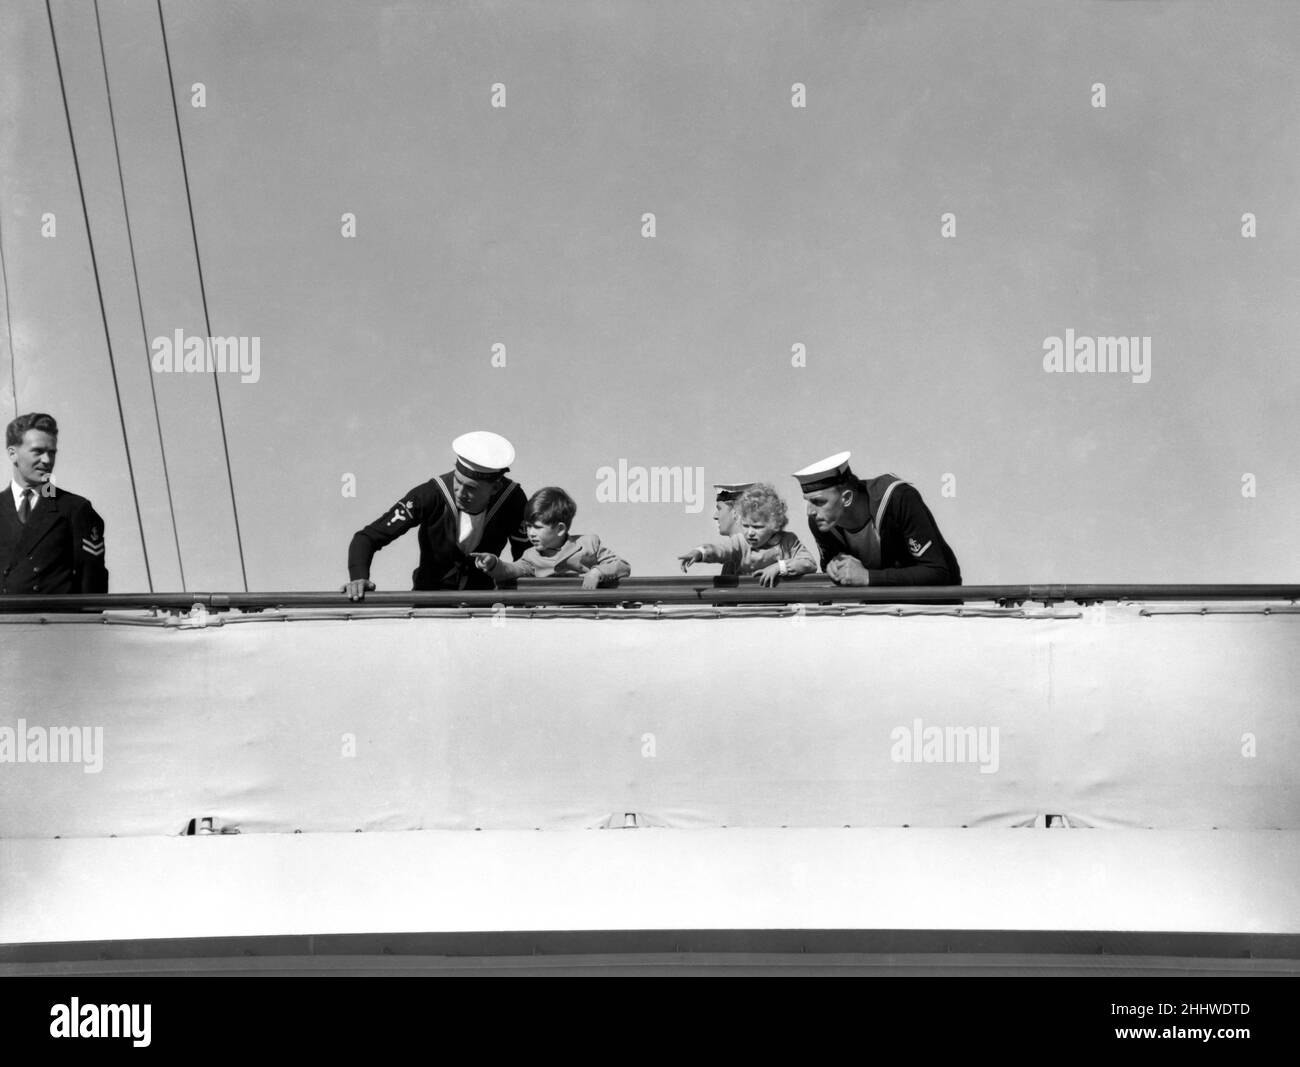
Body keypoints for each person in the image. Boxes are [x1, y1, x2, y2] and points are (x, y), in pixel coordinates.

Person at [343, 431, 527, 598]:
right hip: (428, 601)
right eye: (458, 481)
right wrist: (359, 577)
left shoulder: (513, 500)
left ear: (495, 487)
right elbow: (366, 538)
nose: (460, 492)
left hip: (481, 603)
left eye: (471, 488)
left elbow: (528, 555)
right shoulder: (429, 494)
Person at [794, 451, 960, 586]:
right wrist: (834, 568)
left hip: (935, 611)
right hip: (877, 612)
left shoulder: (898, 498)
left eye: (818, 501)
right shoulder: (821, 521)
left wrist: (868, 577)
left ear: (846, 498)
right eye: (807, 501)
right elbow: (835, 570)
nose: (810, 511)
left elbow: (938, 572)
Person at [1, 412, 107, 595]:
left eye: (51, 453)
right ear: (13, 453)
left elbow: (92, 582)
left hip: (54, 621)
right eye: (38, 451)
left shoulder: (75, 509)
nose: (47, 461)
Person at [472, 486, 629, 590]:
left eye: (538, 527)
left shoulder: (589, 543)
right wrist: (493, 562)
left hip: (588, 613)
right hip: (547, 619)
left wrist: (597, 572)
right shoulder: (530, 557)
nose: (531, 533)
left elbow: (622, 566)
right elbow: (510, 570)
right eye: (528, 526)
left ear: (560, 529)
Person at [678, 482, 817, 587]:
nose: (750, 533)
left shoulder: (788, 541)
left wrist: (778, 568)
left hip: (780, 610)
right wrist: (700, 553)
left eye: (757, 527)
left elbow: (809, 563)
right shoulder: (740, 542)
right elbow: (721, 550)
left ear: (775, 525)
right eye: (745, 526)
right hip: (747, 605)